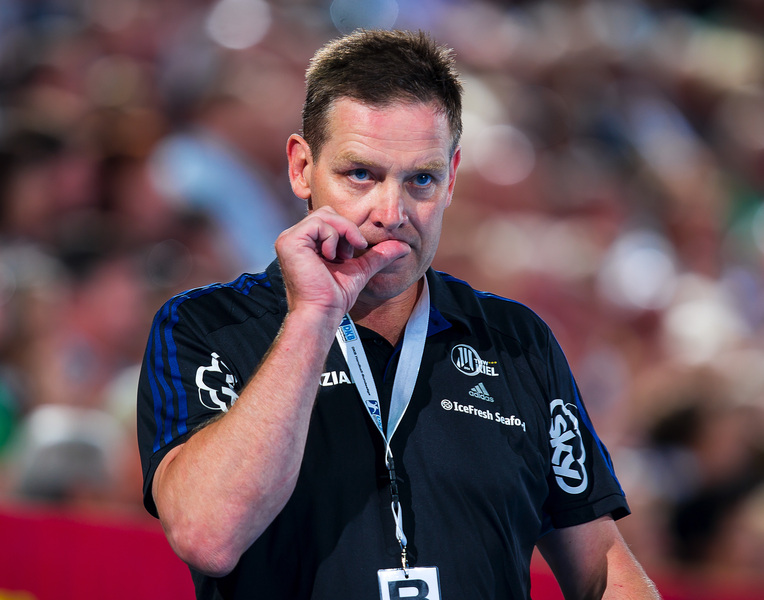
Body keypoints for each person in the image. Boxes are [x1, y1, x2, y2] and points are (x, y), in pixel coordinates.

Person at [137, 29, 660, 599]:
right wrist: (313, 315)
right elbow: (208, 536)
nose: (392, 212)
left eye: (421, 180)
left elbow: (602, 567)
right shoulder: (204, 326)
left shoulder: (516, 340)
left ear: (451, 177)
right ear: (302, 167)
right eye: (361, 174)